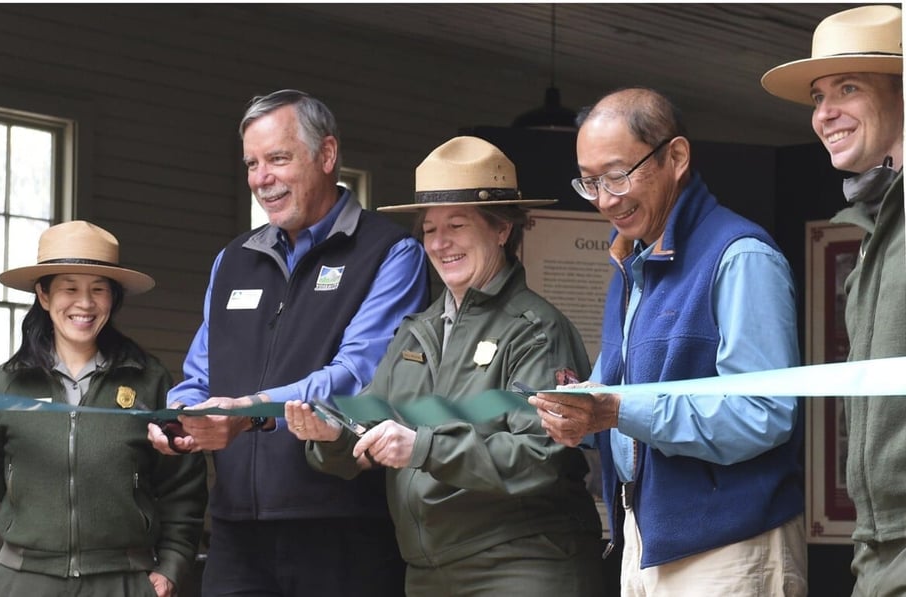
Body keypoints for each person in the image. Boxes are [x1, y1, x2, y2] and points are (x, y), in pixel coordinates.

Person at [287, 135, 605, 596]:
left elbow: (541, 457)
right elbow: (372, 423)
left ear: (501, 230)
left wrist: (422, 448)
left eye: (457, 225)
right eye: (430, 228)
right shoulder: (416, 331)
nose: (440, 243)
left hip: (523, 565)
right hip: (429, 571)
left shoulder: (536, 330)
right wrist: (333, 436)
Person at [149, 89, 429, 597]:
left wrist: (249, 409)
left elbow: (358, 374)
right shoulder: (231, 260)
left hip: (342, 528)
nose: (261, 179)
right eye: (252, 163)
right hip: (236, 530)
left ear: (326, 155)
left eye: (278, 158)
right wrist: (181, 418)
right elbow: (199, 374)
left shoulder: (391, 252)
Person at [529, 87, 806, 595]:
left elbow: (766, 414)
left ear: (675, 157)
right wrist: (585, 418)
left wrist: (616, 412)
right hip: (644, 537)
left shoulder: (741, 255)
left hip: (730, 547)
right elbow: (632, 408)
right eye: (589, 182)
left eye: (617, 175)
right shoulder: (631, 261)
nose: (605, 199)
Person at [0, 220, 207, 597]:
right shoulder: (8, 382)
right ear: (44, 296)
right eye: (70, 288)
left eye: (98, 289)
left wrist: (172, 566)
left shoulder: (150, 380)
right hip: (24, 579)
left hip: (125, 580)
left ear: (112, 298)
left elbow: (184, 483)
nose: (85, 303)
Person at [761, 6, 905, 595]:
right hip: (877, 545)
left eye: (848, 87)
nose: (824, 114)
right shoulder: (876, 229)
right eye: (819, 95)